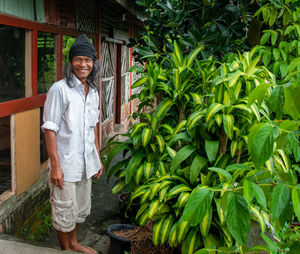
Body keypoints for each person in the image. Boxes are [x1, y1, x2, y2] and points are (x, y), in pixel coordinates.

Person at [42, 34, 103, 254]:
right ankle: (65, 248)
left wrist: (97, 156)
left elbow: (93, 126)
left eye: (87, 60)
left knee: (78, 208)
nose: (83, 64)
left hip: (85, 164)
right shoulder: (60, 89)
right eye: (78, 59)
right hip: (65, 165)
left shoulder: (93, 91)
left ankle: (74, 243)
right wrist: (55, 166)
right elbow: (50, 129)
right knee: (63, 209)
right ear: (71, 62)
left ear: (93, 64)